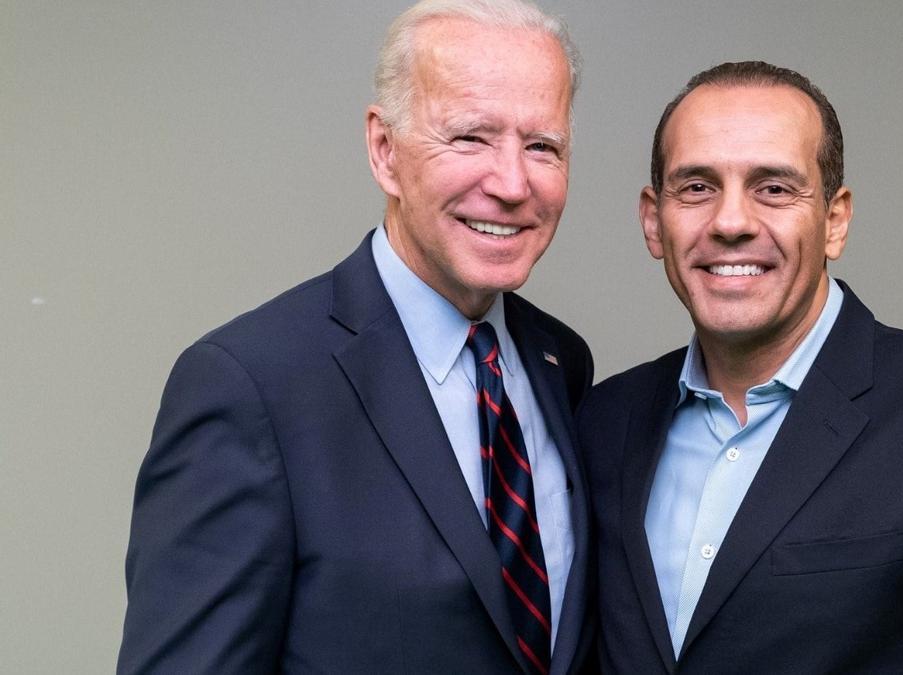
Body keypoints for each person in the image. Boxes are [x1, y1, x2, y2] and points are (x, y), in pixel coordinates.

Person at [117, 1, 593, 672]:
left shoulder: (559, 363)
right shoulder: (250, 387)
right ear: (385, 150)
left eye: (542, 146)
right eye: (470, 137)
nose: (513, 184)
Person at [579, 61, 903, 673]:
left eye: (773, 187)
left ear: (835, 220)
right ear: (652, 220)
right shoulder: (602, 423)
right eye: (696, 187)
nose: (731, 222)